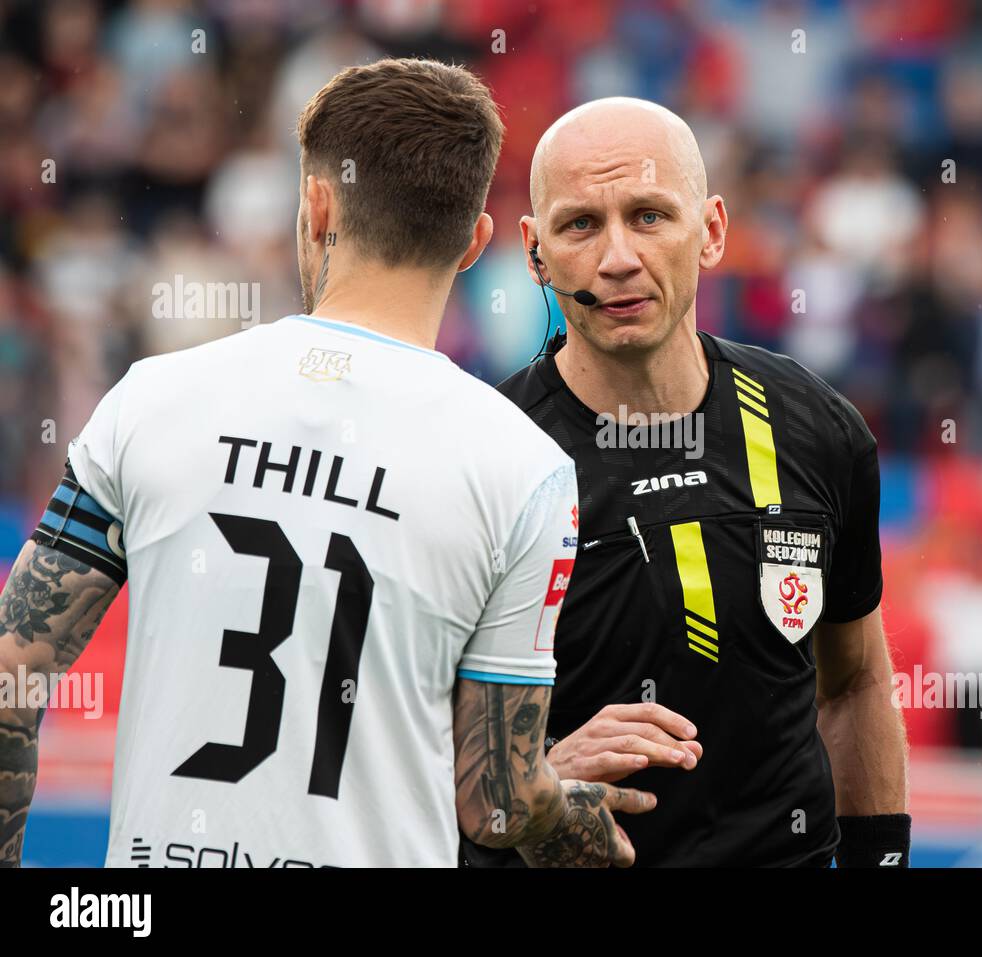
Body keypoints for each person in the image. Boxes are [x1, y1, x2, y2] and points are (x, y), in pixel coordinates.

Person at [0, 58, 651, 869]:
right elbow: (499, 801)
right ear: (476, 241)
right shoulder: (524, 467)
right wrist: (585, 825)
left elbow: (11, 673)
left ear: (316, 206)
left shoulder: (153, 399)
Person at [461, 97, 909, 868]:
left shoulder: (816, 425)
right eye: (579, 225)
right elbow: (385, 746)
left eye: (648, 216)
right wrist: (525, 783)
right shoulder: (478, 455)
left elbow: (857, 683)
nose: (617, 257)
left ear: (711, 231)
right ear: (533, 253)